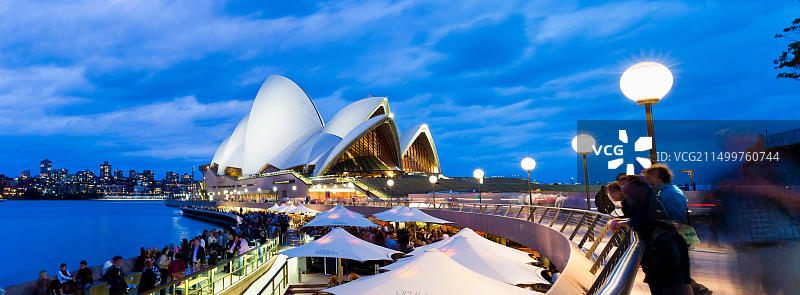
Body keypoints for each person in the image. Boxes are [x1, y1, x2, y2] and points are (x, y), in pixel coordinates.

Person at [608, 176, 692, 295]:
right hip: (664, 245)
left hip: (664, 246)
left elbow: (646, 220)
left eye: (625, 186)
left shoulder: (646, 200)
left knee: (673, 285)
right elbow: (641, 219)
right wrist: (623, 222)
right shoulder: (633, 202)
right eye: (622, 187)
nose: (624, 190)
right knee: (680, 283)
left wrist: (624, 222)